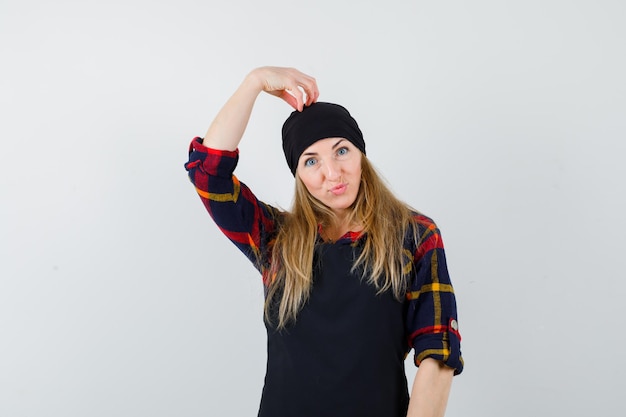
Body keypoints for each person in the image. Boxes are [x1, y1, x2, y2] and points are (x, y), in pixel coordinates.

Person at [184, 66, 463, 417]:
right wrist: (254, 81)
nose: (332, 173)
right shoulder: (275, 239)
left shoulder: (415, 236)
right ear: (298, 175)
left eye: (342, 151)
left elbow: (438, 351)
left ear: (361, 155)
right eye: (311, 160)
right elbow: (209, 174)